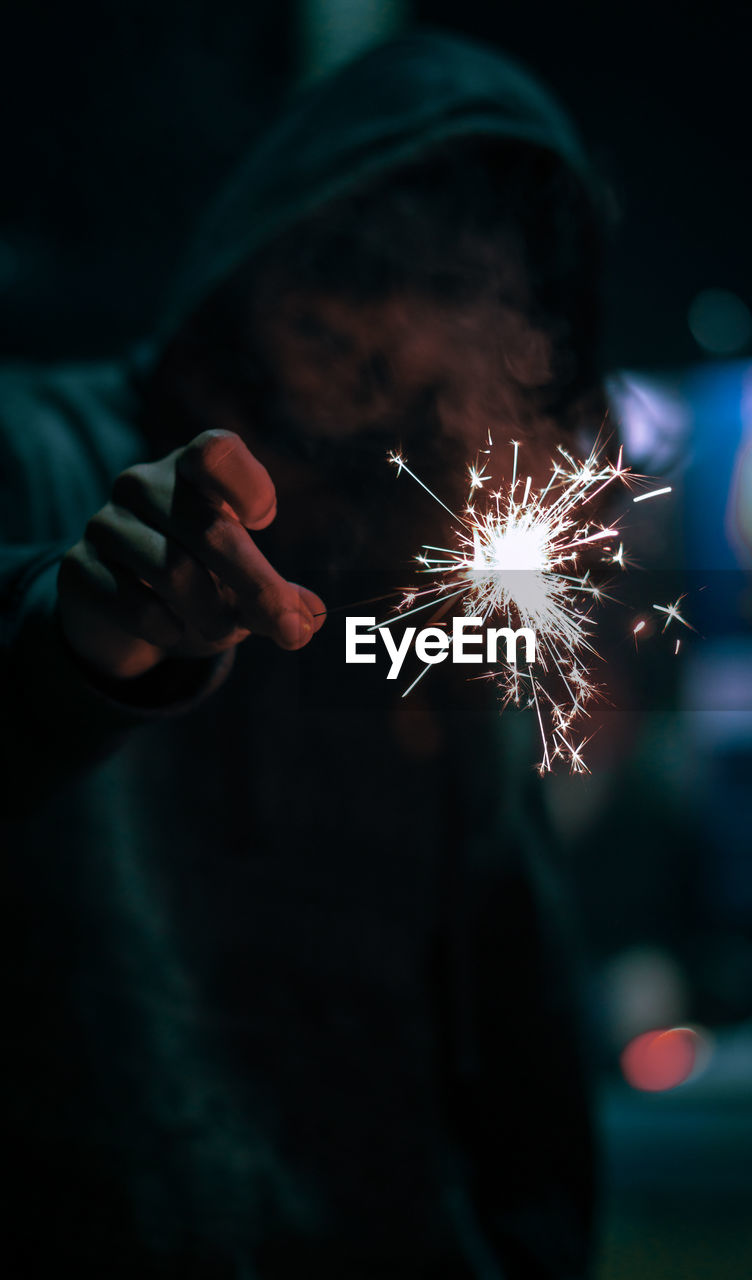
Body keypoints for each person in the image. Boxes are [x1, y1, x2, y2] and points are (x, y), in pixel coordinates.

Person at [1, 29, 607, 1278]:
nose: (410, 334)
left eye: (472, 284)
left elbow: (520, 1039)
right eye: (380, 259)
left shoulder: (434, 631)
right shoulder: (34, 451)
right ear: (278, 244)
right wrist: (85, 640)